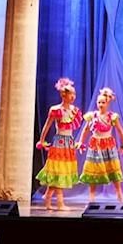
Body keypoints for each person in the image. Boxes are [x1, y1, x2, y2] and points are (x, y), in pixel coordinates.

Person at [35, 78, 82, 210]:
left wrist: (76, 143)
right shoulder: (56, 110)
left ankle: (48, 198)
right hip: (59, 143)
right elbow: (47, 125)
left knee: (61, 171)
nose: (73, 97)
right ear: (63, 95)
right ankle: (60, 203)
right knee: (59, 170)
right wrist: (42, 140)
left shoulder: (74, 110)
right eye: (70, 94)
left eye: (74, 94)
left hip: (69, 143)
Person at [77, 87, 123, 203]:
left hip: (108, 145)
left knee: (113, 168)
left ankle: (119, 193)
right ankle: (92, 195)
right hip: (95, 145)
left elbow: (120, 130)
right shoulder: (92, 116)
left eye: (103, 102)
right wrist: (81, 142)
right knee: (93, 169)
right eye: (99, 102)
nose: (101, 104)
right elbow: (86, 130)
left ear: (108, 103)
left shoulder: (112, 116)